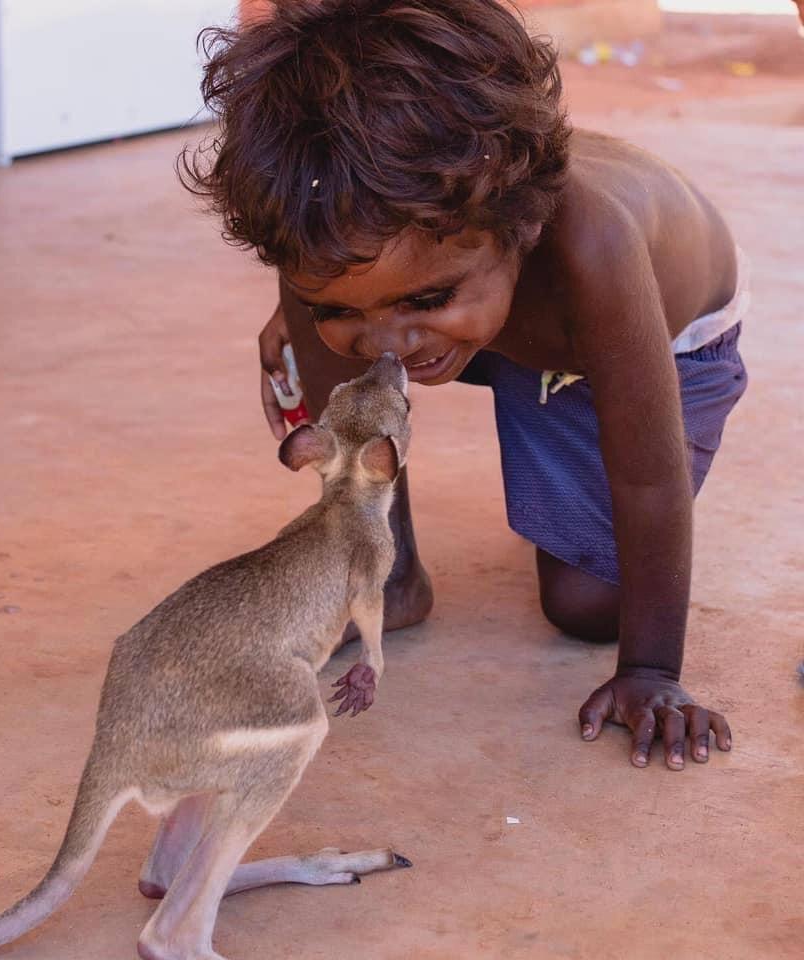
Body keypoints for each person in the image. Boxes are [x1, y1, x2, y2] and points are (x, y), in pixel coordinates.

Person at [181, 0, 747, 770]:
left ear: (517, 230)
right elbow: (383, 302)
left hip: (656, 345)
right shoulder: (352, 236)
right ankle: (392, 573)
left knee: (585, 607)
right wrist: (317, 313)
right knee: (357, 319)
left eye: (425, 297)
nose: (386, 347)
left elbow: (648, 477)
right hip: (506, 323)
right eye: (339, 305)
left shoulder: (595, 250)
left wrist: (652, 672)